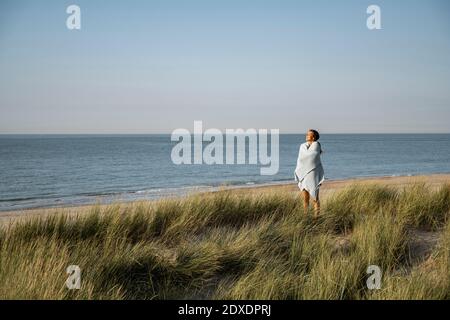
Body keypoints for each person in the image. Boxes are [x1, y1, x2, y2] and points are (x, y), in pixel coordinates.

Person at [294, 129, 324, 216]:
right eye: (306, 134)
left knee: (315, 197)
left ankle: (316, 217)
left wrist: (305, 158)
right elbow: (300, 158)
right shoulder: (302, 146)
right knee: (305, 198)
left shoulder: (316, 144)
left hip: (313, 173)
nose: (306, 135)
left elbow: (312, 156)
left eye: (309, 134)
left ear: (313, 137)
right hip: (303, 173)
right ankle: (305, 216)